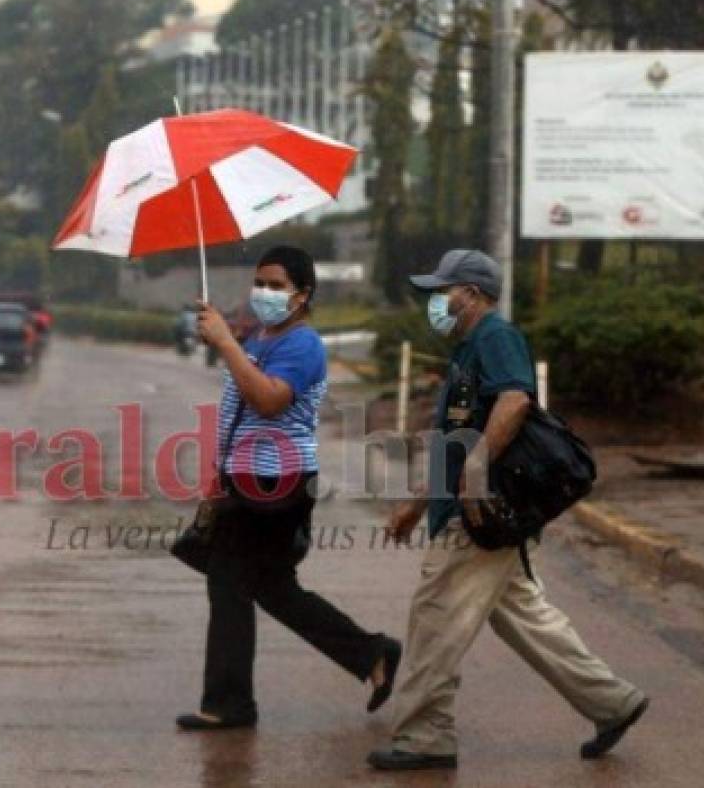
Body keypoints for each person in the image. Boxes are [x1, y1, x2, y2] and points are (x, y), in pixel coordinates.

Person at [367, 249, 648, 772]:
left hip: (480, 515)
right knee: (525, 618)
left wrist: (473, 473)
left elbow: (515, 401)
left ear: (471, 294)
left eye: (443, 291)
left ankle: (426, 736)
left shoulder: (495, 337)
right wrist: (415, 503)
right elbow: (451, 438)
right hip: (478, 508)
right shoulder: (466, 351)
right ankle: (613, 702)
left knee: (436, 617)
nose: (437, 301)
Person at [176, 245, 402, 730]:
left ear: (303, 294)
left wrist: (227, 344)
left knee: (230, 579)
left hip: (276, 482)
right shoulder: (260, 338)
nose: (265, 293)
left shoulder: (302, 345)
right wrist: (222, 473)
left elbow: (271, 401)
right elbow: (240, 412)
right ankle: (371, 654)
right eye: (260, 283)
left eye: (277, 286)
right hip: (249, 478)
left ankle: (230, 703)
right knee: (273, 587)